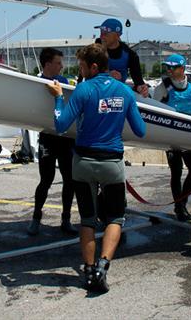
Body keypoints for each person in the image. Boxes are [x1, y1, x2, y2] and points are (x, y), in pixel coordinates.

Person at [46, 43, 146, 293]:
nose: (79, 71)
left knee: (88, 220)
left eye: (81, 67)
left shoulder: (83, 90)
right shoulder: (124, 92)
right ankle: (103, 265)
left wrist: (58, 98)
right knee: (115, 218)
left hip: (83, 163)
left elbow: (60, 125)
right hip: (112, 163)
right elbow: (141, 131)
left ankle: (89, 271)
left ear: (93, 66)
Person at [28, 47, 77, 236]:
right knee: (46, 180)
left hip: (65, 139)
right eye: (58, 63)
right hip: (47, 138)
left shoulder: (64, 82)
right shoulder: (35, 82)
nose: (62, 66)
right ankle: (36, 219)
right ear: (47, 64)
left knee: (70, 181)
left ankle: (66, 219)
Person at [152, 54, 191, 221]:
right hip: (171, 136)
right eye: (167, 67)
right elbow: (153, 107)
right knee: (176, 172)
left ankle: (182, 202)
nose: (169, 70)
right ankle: (179, 207)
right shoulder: (163, 87)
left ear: (182, 68)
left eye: (173, 67)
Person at [94, 18, 149, 98]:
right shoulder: (95, 49)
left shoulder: (131, 55)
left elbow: (138, 82)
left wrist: (142, 89)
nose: (101, 36)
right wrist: (108, 75)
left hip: (117, 95)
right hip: (96, 91)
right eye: (101, 32)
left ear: (117, 35)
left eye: (106, 33)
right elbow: (87, 72)